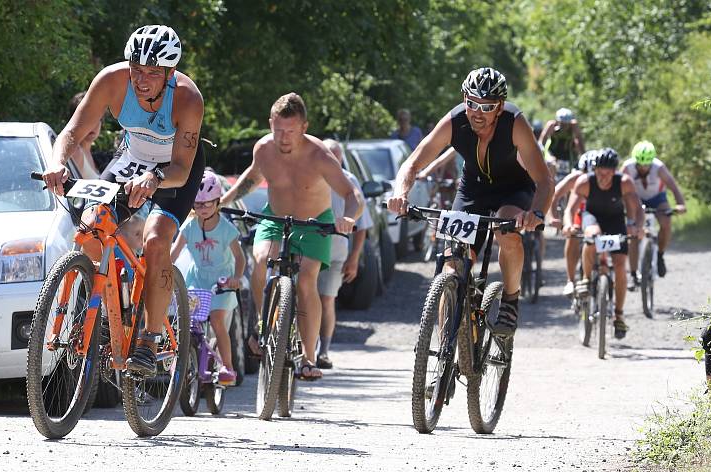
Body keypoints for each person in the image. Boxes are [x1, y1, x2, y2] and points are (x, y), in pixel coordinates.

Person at [41, 25, 206, 377]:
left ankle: (149, 337)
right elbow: (72, 131)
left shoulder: (188, 99)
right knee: (91, 227)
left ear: (170, 74)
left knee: (156, 239)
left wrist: (155, 178)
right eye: (136, 69)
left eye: (151, 72)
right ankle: (107, 303)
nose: (141, 79)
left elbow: (180, 167)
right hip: (130, 160)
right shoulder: (112, 80)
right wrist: (56, 163)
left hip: (173, 170)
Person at [387, 67, 554, 337]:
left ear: (499, 107)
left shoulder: (514, 122)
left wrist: (537, 212)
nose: (477, 112)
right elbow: (413, 162)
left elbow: (545, 180)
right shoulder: (455, 121)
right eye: (471, 103)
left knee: (506, 231)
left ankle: (510, 300)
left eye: (486, 106)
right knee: (453, 263)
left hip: (513, 189)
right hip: (473, 190)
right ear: (464, 99)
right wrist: (400, 193)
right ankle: (444, 348)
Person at [221, 93, 364, 380]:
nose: (283, 138)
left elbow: (353, 194)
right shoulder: (263, 149)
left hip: (314, 223)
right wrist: (222, 201)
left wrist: (349, 217)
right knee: (260, 260)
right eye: (278, 130)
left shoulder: (320, 155)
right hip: (275, 217)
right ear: (270, 124)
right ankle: (264, 327)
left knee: (307, 279)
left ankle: (309, 358)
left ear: (304, 127)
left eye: (290, 131)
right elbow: (251, 177)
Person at [170, 171, 245, 385]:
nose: (203, 209)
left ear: (217, 202)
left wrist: (237, 278)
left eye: (208, 204)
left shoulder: (225, 229)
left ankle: (227, 366)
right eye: (198, 205)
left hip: (223, 282)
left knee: (218, 320)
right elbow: (174, 254)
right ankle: (183, 358)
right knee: (187, 322)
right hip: (198, 279)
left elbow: (240, 258)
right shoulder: (190, 226)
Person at [562, 148, 644, 339]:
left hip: (616, 221)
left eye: (607, 173)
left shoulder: (624, 183)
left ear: (615, 171)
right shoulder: (585, 182)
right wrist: (568, 225)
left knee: (619, 265)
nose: (603, 177)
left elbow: (637, 209)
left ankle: (619, 315)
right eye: (599, 172)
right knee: (592, 235)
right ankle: (585, 279)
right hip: (592, 218)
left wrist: (638, 227)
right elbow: (570, 209)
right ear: (594, 169)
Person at [317, 139, 374, 369]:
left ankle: (324, 350)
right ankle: (304, 349)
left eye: (336, 155)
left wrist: (354, 258)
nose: (332, 159)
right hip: (308, 249)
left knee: (327, 299)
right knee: (305, 297)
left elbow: (362, 226)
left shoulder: (349, 182)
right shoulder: (312, 176)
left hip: (336, 253)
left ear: (341, 158)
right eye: (328, 155)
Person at [621, 140, 687, 287]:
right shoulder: (627, 167)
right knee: (633, 233)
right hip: (636, 199)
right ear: (635, 160)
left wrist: (681, 204)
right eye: (640, 164)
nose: (644, 168)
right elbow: (619, 188)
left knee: (666, 222)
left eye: (647, 164)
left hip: (657, 198)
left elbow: (674, 187)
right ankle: (632, 274)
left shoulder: (659, 167)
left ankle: (660, 255)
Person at [547, 150, 598, 296]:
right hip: (578, 213)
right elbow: (554, 195)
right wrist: (553, 217)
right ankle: (570, 280)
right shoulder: (575, 177)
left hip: (597, 214)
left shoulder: (606, 177)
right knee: (573, 236)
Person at [539, 108, 586, 176]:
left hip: (568, 153)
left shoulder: (574, 126)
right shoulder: (551, 125)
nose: (564, 126)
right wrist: (541, 154)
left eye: (566, 124)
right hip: (552, 151)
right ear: (557, 121)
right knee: (551, 164)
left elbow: (579, 140)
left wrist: (583, 155)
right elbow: (541, 141)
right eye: (562, 123)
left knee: (573, 170)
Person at [66, 92, 101, 179]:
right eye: (87, 119)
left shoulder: (90, 154)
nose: (93, 125)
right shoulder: (75, 152)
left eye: (97, 119)